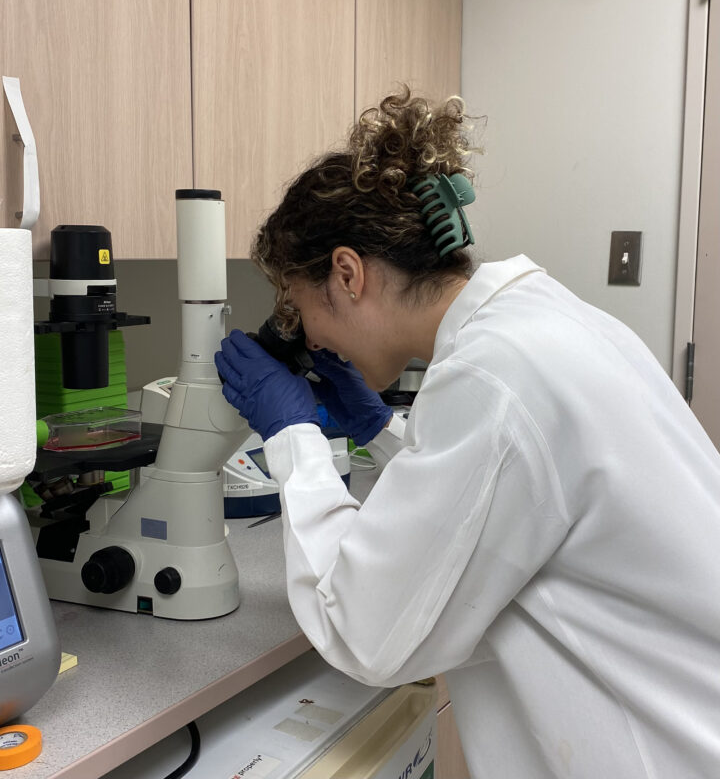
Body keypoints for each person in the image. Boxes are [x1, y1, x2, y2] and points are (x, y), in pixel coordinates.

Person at [215, 86, 720, 779]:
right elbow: (507, 499)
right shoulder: (540, 326)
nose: (310, 338)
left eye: (302, 309)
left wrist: (294, 437)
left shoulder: (495, 379)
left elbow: (364, 632)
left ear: (347, 273)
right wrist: (381, 429)